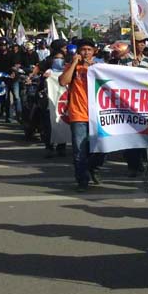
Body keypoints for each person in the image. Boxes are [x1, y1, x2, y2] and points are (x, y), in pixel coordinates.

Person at [58, 39, 104, 192]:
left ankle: (92, 168)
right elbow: (63, 81)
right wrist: (73, 64)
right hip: (78, 114)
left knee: (101, 149)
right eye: (83, 49)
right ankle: (82, 181)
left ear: (94, 52)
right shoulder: (73, 67)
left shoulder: (101, 67)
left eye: (89, 49)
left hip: (98, 115)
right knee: (79, 150)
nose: (86, 52)